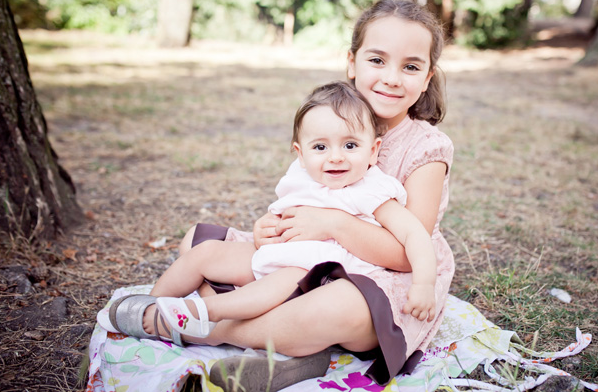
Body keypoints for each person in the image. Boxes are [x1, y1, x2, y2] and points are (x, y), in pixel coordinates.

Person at [105, 0, 455, 391]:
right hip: (304, 263)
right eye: (378, 60)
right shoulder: (330, 117)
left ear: (427, 78)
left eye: (410, 66)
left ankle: (211, 331)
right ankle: (296, 350)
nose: (392, 78)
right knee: (198, 246)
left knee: (334, 308)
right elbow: (303, 200)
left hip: (380, 276)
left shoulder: (425, 149)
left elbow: (407, 253)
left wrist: (333, 224)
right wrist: (266, 230)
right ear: (352, 62)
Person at [143, 81, 437, 337]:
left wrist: (424, 284)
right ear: (301, 153)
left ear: (372, 151)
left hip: (318, 276)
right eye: (320, 148)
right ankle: (148, 304)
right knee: (205, 253)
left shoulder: (371, 189)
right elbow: (283, 213)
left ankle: (206, 312)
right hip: (279, 253)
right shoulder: (302, 175)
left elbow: (414, 234)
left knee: (284, 279)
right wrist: (266, 228)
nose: (335, 158)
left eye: (350, 146)